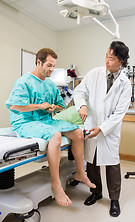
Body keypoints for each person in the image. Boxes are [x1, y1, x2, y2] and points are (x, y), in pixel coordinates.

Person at [6, 48, 95, 207]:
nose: (52, 70)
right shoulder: (24, 81)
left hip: (45, 120)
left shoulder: (50, 85)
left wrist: (54, 108)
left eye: (54, 66)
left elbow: (61, 106)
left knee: (77, 132)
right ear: (38, 62)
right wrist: (40, 106)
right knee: (55, 135)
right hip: (25, 122)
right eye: (49, 65)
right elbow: (15, 105)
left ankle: (81, 173)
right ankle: (56, 185)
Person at [74, 41, 131, 217]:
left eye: (112, 58)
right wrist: (82, 106)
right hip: (91, 124)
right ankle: (96, 192)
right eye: (106, 55)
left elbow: (119, 113)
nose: (107, 60)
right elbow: (79, 92)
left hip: (109, 130)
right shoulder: (94, 74)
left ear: (121, 61)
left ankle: (114, 200)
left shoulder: (125, 83)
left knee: (112, 164)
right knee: (92, 161)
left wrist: (102, 128)